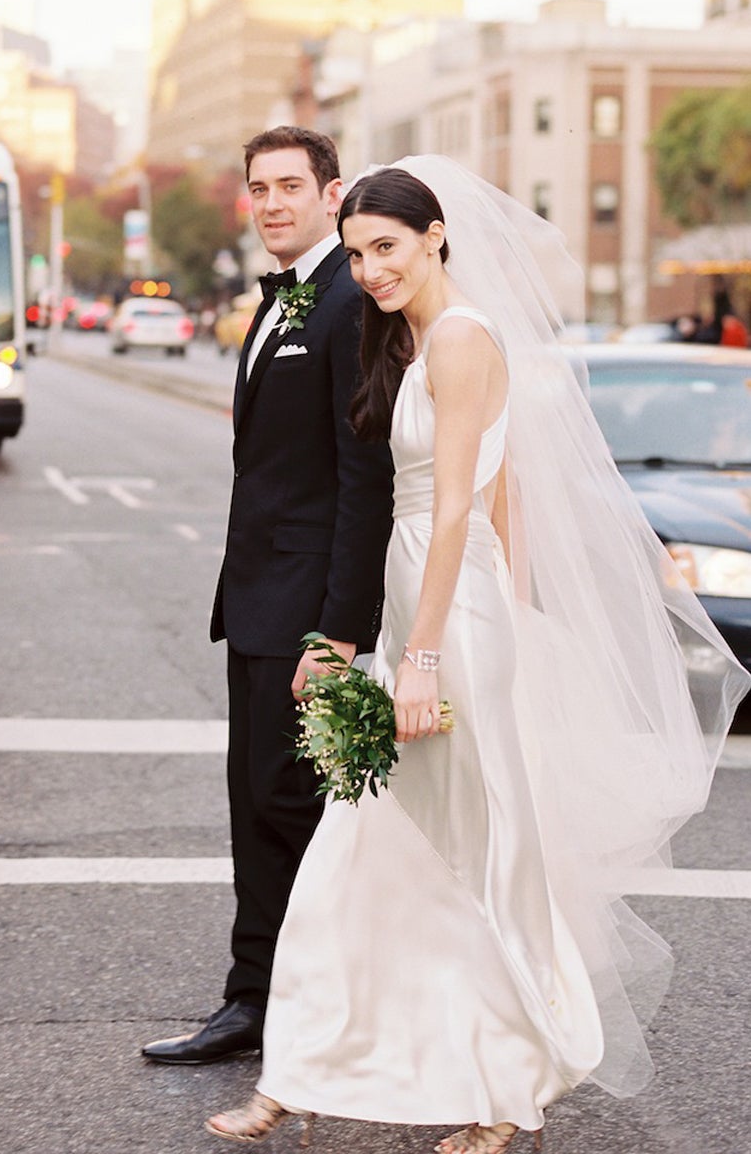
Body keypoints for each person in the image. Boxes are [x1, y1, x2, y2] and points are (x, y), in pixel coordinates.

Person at [205, 157, 748, 1151]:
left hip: (446, 621)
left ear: (435, 237)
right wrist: (349, 640)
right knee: (356, 849)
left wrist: (419, 658)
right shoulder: (401, 340)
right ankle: (295, 1076)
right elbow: (480, 500)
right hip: (416, 605)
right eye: (359, 251)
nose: (368, 270)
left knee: (482, 855)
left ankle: (506, 1094)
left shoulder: (458, 339)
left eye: (387, 247)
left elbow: (455, 507)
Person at [142, 127, 394, 1067]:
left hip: (304, 618)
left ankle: (278, 1005)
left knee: (289, 810)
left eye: (292, 185)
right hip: (256, 603)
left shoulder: (346, 304)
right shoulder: (286, 301)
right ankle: (267, 999)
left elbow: (363, 481)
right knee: (260, 807)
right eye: (258, 188)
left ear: (334, 195)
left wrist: (336, 633)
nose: (272, 202)